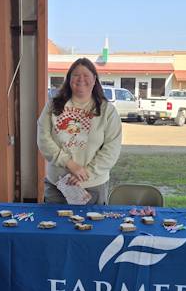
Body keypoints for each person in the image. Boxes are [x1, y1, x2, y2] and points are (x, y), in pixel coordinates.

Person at [37, 57, 122, 205]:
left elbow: (112, 149)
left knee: (92, 221)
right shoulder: (53, 106)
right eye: (76, 75)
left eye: (86, 75)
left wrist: (86, 173)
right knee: (54, 221)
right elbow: (43, 139)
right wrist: (70, 164)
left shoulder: (107, 111)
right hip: (58, 186)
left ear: (94, 79)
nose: (81, 79)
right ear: (69, 79)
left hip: (93, 187)